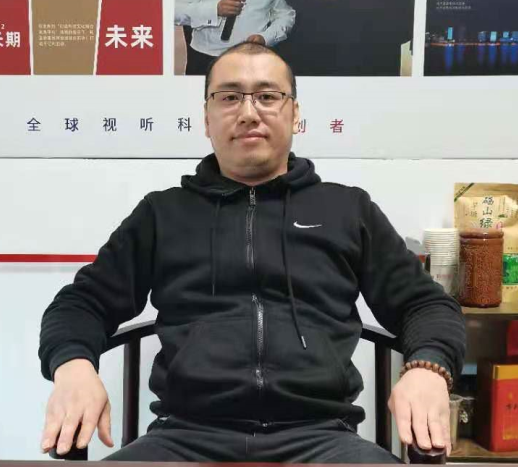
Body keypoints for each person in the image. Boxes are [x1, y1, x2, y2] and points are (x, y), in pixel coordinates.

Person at [39, 42, 465, 463]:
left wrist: (427, 368)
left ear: (294, 114)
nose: (248, 112)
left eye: (267, 96)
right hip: (184, 436)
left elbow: (425, 304)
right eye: (229, 97)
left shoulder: (347, 210)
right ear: (206, 118)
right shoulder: (162, 214)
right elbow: (82, 303)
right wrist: (73, 366)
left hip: (322, 437)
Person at [175, 0, 295, 74]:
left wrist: (265, 38)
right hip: (204, 61)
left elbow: (285, 14)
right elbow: (174, 10)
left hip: (252, 61)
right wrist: (213, 9)